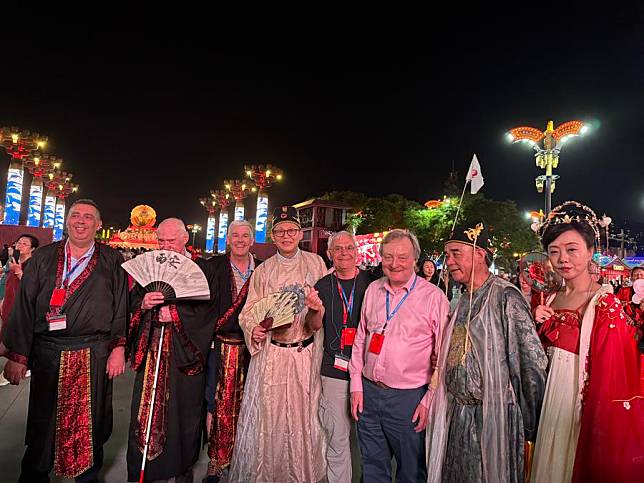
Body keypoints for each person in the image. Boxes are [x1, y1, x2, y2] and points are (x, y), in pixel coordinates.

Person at [1, 199, 129, 483]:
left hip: (93, 352)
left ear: (99, 225)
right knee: (43, 421)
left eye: (88, 217)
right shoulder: (43, 258)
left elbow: (121, 306)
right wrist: (17, 356)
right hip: (48, 352)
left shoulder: (112, 260)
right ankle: (35, 474)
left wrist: (118, 347)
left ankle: (87, 476)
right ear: (67, 221)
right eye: (75, 215)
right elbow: (24, 307)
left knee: (90, 419)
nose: (81, 221)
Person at [425, 221, 547, 483]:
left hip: (494, 420)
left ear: (480, 254)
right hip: (458, 415)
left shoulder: (506, 297)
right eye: (447, 255)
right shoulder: (464, 297)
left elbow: (531, 365)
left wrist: (530, 426)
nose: (449, 261)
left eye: (456, 253)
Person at [531, 201, 644, 482]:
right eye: (554, 252)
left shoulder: (604, 303)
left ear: (591, 252)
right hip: (551, 395)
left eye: (572, 250)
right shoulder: (552, 297)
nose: (563, 259)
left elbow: (613, 371)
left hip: (581, 400)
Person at [229, 206, 327, 482]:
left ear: (300, 233)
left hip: (304, 354)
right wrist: (254, 330)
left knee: (304, 419)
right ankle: (269, 474)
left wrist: (315, 309)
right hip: (273, 356)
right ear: (273, 236)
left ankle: (302, 473)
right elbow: (248, 313)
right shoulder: (264, 271)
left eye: (292, 230)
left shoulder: (315, 264)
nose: (287, 235)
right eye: (280, 231)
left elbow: (322, 312)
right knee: (270, 419)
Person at [349, 229, 450, 482]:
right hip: (369, 394)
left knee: (411, 471)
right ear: (381, 258)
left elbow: (444, 355)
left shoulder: (433, 297)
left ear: (415, 259)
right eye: (389, 257)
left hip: (409, 399)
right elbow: (361, 337)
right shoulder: (373, 290)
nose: (395, 264)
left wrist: (429, 400)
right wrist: (356, 386)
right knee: (372, 467)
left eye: (402, 257)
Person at [126, 218, 219, 482]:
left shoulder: (203, 269)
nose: (166, 246)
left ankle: (181, 468)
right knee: (145, 408)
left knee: (185, 412)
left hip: (185, 355)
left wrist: (176, 314)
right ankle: (142, 469)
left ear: (185, 239)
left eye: (171, 241)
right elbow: (131, 304)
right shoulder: (150, 267)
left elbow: (208, 311)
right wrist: (143, 304)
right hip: (152, 349)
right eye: (161, 241)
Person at [304, 230, 374, 483]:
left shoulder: (373, 282)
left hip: (369, 372)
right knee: (337, 437)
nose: (344, 253)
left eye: (349, 248)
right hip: (334, 371)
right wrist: (315, 310)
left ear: (357, 252)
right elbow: (313, 326)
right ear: (329, 254)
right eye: (338, 249)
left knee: (370, 439)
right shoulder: (321, 286)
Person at [203, 220, 260, 483]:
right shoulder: (212, 266)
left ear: (252, 240)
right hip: (219, 345)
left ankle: (242, 456)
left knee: (249, 402)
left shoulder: (262, 269)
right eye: (234, 236)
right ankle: (215, 460)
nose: (240, 240)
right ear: (227, 239)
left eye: (245, 235)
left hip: (253, 347)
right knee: (214, 403)